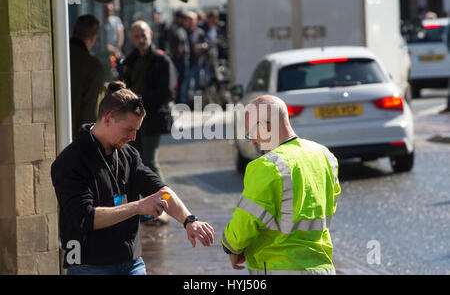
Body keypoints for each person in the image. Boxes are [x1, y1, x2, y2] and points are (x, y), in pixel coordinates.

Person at [51, 81, 214, 275]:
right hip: (87, 265)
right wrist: (138, 207)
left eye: (137, 130)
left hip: (131, 263)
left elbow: (163, 192)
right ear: (108, 118)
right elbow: (85, 218)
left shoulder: (128, 154)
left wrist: (189, 221)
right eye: (129, 130)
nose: (133, 137)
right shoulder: (70, 161)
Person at [221, 95, 341, 275]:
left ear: (265, 125)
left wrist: (230, 246)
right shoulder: (324, 155)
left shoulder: (265, 166)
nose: (253, 141)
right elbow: (329, 206)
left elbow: (244, 223)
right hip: (322, 267)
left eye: (252, 132)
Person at [122, 20, 176, 182]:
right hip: (133, 118)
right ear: (132, 38)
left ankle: (165, 200)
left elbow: (167, 92)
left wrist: (140, 98)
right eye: (137, 36)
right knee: (133, 161)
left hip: (153, 117)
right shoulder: (130, 61)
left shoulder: (161, 60)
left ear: (150, 35)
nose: (141, 39)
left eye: (143, 35)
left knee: (150, 162)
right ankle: (143, 202)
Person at [70, 14, 105, 140]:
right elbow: (91, 110)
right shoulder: (93, 66)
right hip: (77, 140)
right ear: (94, 37)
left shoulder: (56, 56)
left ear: (73, 30)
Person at [168, 9, 190, 104]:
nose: (185, 20)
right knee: (179, 82)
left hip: (183, 58)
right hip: (178, 58)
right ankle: (179, 102)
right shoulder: (174, 28)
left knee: (184, 81)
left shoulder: (182, 28)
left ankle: (182, 101)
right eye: (183, 18)